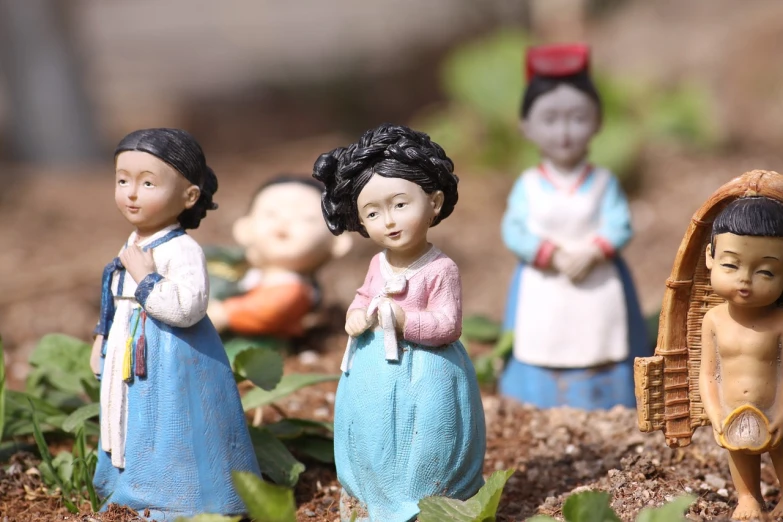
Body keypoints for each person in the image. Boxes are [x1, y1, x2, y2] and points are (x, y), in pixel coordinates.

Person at [314, 123, 486, 522]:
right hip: (374, 366)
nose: (388, 221)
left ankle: (426, 499)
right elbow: (363, 294)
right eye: (373, 213)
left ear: (435, 202)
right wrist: (356, 314)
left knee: (427, 437)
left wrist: (406, 319)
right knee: (371, 431)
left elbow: (448, 324)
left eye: (400, 205)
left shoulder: (441, 268)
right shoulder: (378, 262)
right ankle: (375, 494)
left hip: (428, 373)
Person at [90, 128, 261, 520]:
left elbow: (189, 307)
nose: (131, 192)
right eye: (122, 180)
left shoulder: (182, 249)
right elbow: (115, 295)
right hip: (129, 346)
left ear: (189, 196)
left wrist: (148, 279)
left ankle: (176, 499)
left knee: (169, 426)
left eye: (148, 182)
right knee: (128, 418)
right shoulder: (133, 243)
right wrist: (101, 336)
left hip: (172, 358)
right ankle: (126, 486)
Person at [499, 43, 648, 409]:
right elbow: (514, 229)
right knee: (542, 337)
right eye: (549, 120)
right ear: (526, 127)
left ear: (598, 121)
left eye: (578, 118)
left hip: (597, 280)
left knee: (603, 338)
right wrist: (550, 254)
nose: (563, 132)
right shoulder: (529, 184)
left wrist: (596, 250)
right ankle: (538, 393)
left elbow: (620, 223)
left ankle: (608, 395)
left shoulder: (603, 181)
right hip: (544, 281)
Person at [699, 196, 783, 520]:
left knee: (780, 450)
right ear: (710, 257)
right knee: (740, 455)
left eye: (765, 271)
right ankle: (748, 498)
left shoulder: (778, 322)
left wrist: (780, 412)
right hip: (732, 411)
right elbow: (708, 374)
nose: (745, 280)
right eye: (731, 265)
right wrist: (715, 412)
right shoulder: (714, 320)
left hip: (774, 409)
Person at [207, 175, 352, 344]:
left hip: (256, 348)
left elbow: (271, 308)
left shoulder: (294, 289)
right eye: (270, 214)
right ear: (244, 228)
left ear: (336, 242)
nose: (284, 223)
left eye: (306, 218)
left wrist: (224, 313)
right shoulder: (232, 265)